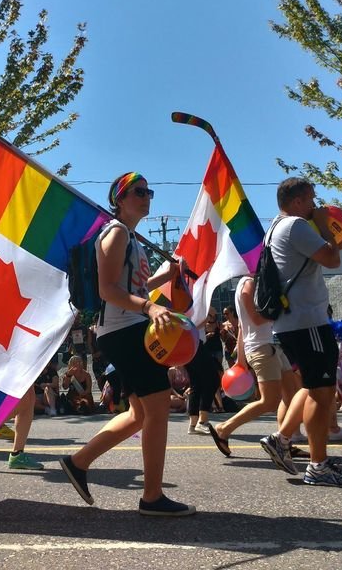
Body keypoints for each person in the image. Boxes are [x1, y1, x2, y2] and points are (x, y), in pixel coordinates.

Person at [59, 171, 195, 516]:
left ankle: (78, 462)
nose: (146, 196)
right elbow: (108, 290)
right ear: (120, 199)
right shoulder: (116, 232)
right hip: (124, 330)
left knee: (139, 414)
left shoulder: (130, 237)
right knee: (158, 408)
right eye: (138, 192)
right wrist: (150, 306)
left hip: (127, 328)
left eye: (149, 191)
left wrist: (168, 275)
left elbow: (135, 284)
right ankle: (152, 497)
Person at [258, 177, 342, 487]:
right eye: (311, 199)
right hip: (307, 321)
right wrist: (329, 228)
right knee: (321, 392)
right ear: (298, 201)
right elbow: (332, 257)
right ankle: (318, 466)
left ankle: (283, 438)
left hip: (293, 322)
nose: (316, 205)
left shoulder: (275, 228)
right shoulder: (296, 226)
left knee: (314, 387)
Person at [208, 275, 301, 456]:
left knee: (291, 393)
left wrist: (241, 359)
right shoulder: (248, 284)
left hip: (271, 346)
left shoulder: (256, 283)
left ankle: (284, 441)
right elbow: (255, 319)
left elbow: (243, 326)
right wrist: (281, 308)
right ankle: (224, 429)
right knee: (270, 401)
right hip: (261, 348)